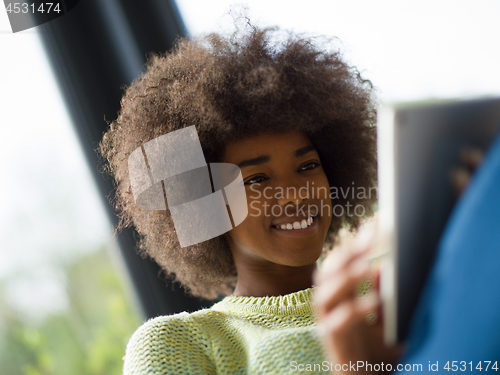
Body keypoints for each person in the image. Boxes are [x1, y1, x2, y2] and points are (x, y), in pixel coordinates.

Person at [99, 25, 392, 374]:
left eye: (308, 165)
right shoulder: (178, 342)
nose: (296, 193)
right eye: (256, 179)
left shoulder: (394, 293)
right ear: (205, 205)